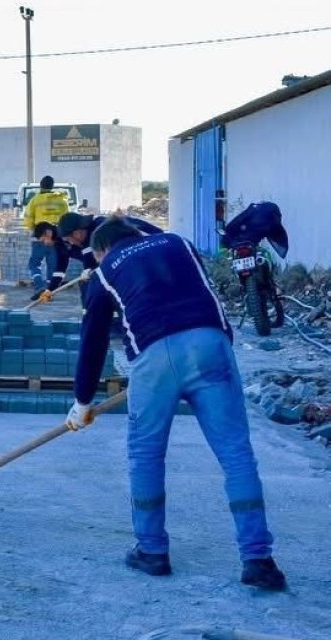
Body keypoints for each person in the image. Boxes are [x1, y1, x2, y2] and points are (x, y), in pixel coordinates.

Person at [66, 218, 286, 592]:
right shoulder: (179, 243)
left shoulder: (104, 272)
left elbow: (94, 338)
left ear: (101, 250)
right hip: (211, 344)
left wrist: (82, 400)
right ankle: (259, 561)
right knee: (236, 455)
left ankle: (152, 551)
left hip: (154, 358)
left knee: (146, 455)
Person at [32, 212, 163, 303]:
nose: (71, 243)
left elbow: (89, 253)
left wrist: (88, 269)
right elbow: (60, 269)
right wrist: (50, 290)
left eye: (43, 240)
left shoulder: (99, 228)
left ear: (77, 233)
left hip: (152, 252)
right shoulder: (66, 243)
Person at [23, 175, 71, 298]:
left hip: (39, 236)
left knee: (34, 263)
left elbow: (28, 218)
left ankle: (39, 286)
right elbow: (67, 219)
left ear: (41, 185)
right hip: (56, 237)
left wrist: (33, 229)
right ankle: (50, 291)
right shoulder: (62, 200)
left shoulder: (35, 200)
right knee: (53, 265)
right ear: (52, 186)